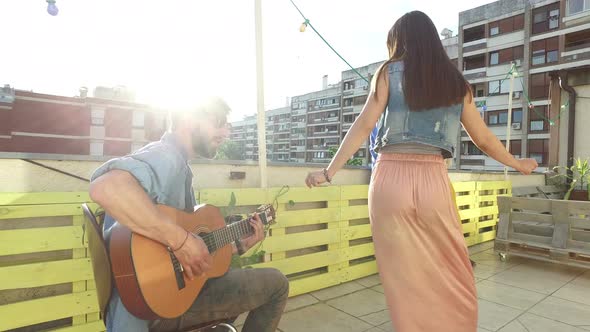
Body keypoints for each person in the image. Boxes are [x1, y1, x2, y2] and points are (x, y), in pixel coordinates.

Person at [305, 11, 537, 332]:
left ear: (400, 42)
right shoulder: (456, 84)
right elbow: (483, 139)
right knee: (453, 268)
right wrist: (518, 163)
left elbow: (363, 126)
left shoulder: (388, 73)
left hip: (389, 183)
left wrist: (329, 172)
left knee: (404, 279)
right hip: (433, 181)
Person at [89, 97, 289, 332]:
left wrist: (237, 246)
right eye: (219, 123)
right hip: (149, 312)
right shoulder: (166, 157)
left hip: (149, 302)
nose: (226, 132)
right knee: (277, 285)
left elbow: (183, 254)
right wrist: (181, 241)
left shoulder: (178, 165)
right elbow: (106, 187)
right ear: (188, 120)